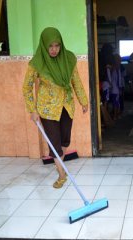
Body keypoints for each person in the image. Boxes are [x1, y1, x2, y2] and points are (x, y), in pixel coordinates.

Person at [22, 27, 88, 189]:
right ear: (44, 45)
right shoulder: (37, 63)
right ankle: (61, 174)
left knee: (65, 141)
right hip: (47, 110)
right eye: (50, 46)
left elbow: (76, 82)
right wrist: (33, 110)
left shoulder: (69, 59)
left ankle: (59, 165)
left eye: (57, 45)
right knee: (54, 144)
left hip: (67, 106)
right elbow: (27, 87)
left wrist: (83, 101)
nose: (54, 50)